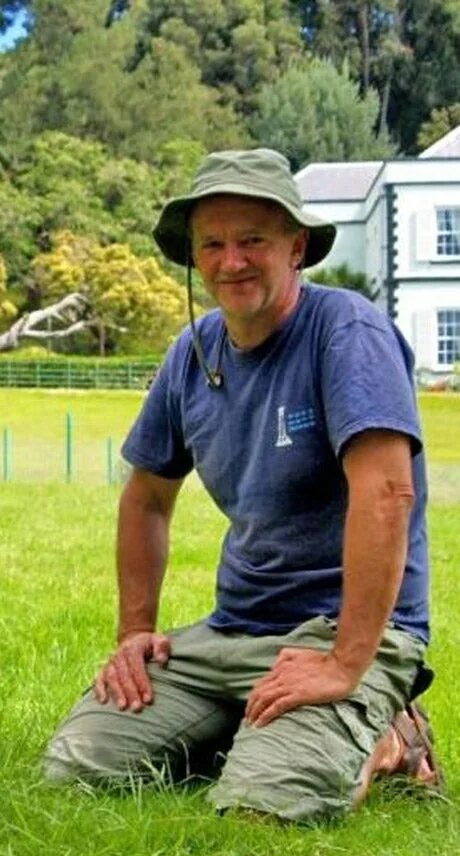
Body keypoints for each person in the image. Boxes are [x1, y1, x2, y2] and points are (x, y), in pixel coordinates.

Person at [41, 148, 441, 822]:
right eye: (214, 244)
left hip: (340, 631)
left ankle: (391, 735)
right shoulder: (192, 354)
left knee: (265, 806)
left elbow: (387, 494)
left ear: (297, 245)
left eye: (253, 240)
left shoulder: (345, 332)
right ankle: (257, 727)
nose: (233, 261)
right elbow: (146, 498)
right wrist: (134, 633)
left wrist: (345, 663)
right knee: (77, 770)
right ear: (195, 257)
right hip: (230, 631)